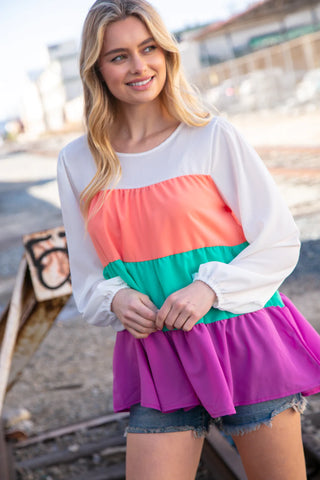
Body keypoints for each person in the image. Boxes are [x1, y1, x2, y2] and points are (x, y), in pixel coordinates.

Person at [57, 1, 320, 478]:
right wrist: (114, 299)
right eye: (119, 56)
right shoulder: (78, 161)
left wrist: (209, 288)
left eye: (148, 48)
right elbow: (88, 276)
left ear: (167, 53)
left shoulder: (210, 135)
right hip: (157, 352)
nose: (139, 66)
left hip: (243, 337)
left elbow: (279, 239)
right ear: (96, 67)